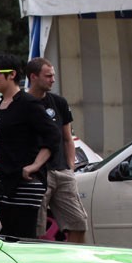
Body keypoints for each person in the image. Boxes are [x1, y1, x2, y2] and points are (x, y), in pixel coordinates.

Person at [0, 53, 60, 239]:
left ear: (12, 74)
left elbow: (53, 135)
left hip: (24, 184)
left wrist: (35, 165)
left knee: (22, 239)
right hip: (4, 182)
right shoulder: (2, 104)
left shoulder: (28, 103)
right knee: (10, 238)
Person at [26, 57, 88, 243]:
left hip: (62, 172)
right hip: (37, 175)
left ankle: (72, 257)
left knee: (78, 223)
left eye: (53, 75)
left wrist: (70, 168)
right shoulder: (23, 103)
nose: (53, 80)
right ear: (33, 77)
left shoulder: (58, 102)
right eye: (48, 76)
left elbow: (67, 138)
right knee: (34, 229)